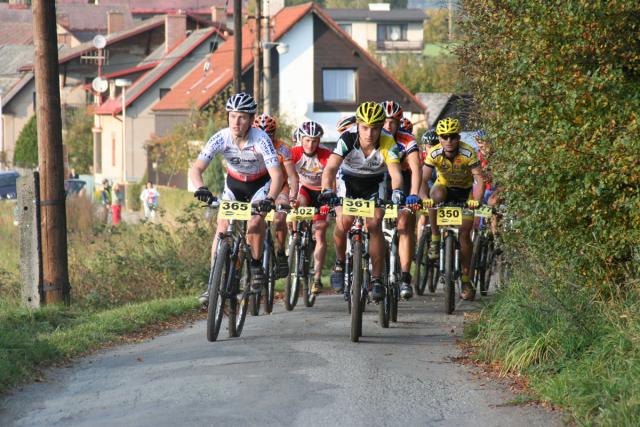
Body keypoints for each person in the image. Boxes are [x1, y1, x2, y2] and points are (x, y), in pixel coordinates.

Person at [189, 93, 283, 304]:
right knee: (222, 227)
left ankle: (256, 266)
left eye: (242, 117)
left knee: (255, 223)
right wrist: (201, 187)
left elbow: (277, 175)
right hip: (234, 185)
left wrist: (270, 199)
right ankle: (213, 283)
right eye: (232, 116)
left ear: (251, 119)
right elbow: (196, 169)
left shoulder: (261, 139)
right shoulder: (221, 137)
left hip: (260, 184)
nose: (236, 122)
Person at [320, 101, 404, 302]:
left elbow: (395, 174)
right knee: (344, 222)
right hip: (349, 181)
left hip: (375, 182)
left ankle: (377, 278)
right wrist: (326, 190)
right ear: (358, 125)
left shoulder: (388, 141)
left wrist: (397, 192)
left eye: (375, 128)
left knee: (374, 223)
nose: (369, 134)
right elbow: (330, 169)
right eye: (365, 128)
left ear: (381, 127)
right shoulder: (347, 137)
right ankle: (340, 262)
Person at [420, 117, 484, 300]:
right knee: (434, 196)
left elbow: (479, 179)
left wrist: (477, 200)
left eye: (453, 136)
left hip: (464, 193)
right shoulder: (434, 153)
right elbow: (423, 180)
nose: (449, 140)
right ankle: (435, 238)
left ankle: (466, 280)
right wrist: (424, 198)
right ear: (439, 138)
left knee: (464, 234)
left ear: (458, 137)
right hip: (444, 189)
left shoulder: (468, 152)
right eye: (444, 137)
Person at [380, 100, 422, 299]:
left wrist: (413, 194)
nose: (388, 126)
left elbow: (416, 169)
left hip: (403, 182)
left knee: (405, 224)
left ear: (399, 123)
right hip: (380, 181)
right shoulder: (373, 137)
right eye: (385, 121)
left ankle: (405, 277)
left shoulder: (407, 140)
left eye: (393, 122)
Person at [252, 113, 299, 278]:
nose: (266, 137)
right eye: (261, 133)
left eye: (269, 133)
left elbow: (292, 176)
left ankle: (280, 253)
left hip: (280, 187)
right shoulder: (249, 145)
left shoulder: (283, 148)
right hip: (258, 186)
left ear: (274, 133)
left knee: (279, 218)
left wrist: (292, 197)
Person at [290, 121, 332, 294]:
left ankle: (316, 278)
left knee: (320, 233)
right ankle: (295, 236)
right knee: (296, 203)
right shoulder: (294, 152)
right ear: (301, 139)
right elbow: (287, 175)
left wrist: (329, 202)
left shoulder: (325, 154)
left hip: (322, 193)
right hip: (305, 189)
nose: (310, 144)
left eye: (314, 141)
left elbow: (333, 179)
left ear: (319, 141)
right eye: (307, 140)